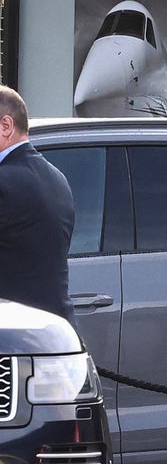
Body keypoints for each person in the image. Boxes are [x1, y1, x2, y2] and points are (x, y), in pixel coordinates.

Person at [0, 85, 76, 326]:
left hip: (16, 338)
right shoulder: (58, 179)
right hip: (56, 333)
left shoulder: (4, 181)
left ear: (6, 126)